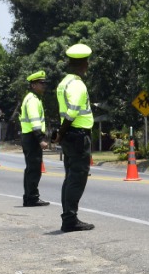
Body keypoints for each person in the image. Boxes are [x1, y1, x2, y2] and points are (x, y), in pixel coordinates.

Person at [55, 43, 95, 232]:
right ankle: (70, 219)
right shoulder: (78, 84)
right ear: (83, 64)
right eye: (86, 62)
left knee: (69, 177)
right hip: (78, 135)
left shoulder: (64, 83)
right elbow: (72, 113)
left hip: (70, 136)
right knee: (77, 178)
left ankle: (68, 216)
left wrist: (61, 135)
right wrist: (61, 133)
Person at [18, 71, 50, 206]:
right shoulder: (32, 100)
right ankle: (32, 197)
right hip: (32, 137)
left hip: (30, 137)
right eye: (41, 83)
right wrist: (41, 139)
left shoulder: (34, 98)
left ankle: (30, 196)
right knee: (33, 169)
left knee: (32, 168)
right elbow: (34, 121)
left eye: (44, 83)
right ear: (33, 85)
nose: (44, 86)